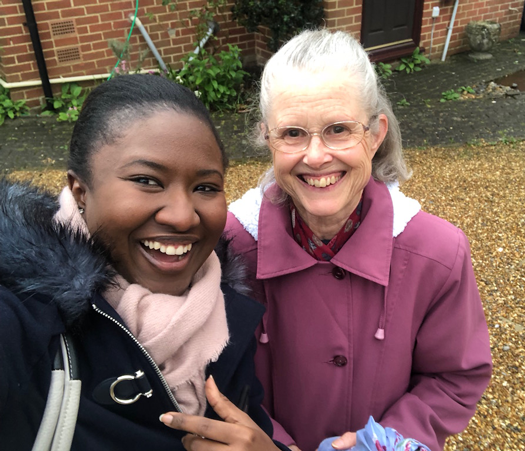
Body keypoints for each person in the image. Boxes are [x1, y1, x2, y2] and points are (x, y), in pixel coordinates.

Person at [223, 29, 493, 451]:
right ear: (267, 139)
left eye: (338, 129)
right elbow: (208, 370)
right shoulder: (227, 248)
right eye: (292, 133)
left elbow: (454, 375)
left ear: (375, 133)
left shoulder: (437, 253)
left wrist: (389, 440)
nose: (315, 156)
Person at [0, 74, 288, 451]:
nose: (183, 217)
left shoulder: (225, 315)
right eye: (147, 180)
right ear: (80, 190)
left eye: (205, 187)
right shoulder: (23, 314)